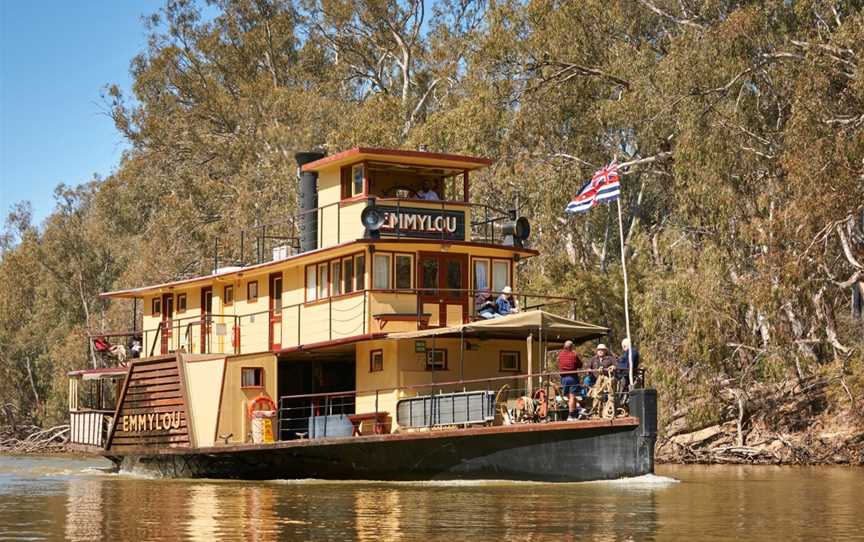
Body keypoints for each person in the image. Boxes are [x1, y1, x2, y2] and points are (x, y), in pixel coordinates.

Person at [558, 340, 583, 421]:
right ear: (571, 347)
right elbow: (580, 365)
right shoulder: (573, 354)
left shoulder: (560, 355)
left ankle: (575, 413)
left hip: (563, 378)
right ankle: (571, 415)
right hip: (572, 377)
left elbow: (560, 364)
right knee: (572, 396)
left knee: (569, 397)